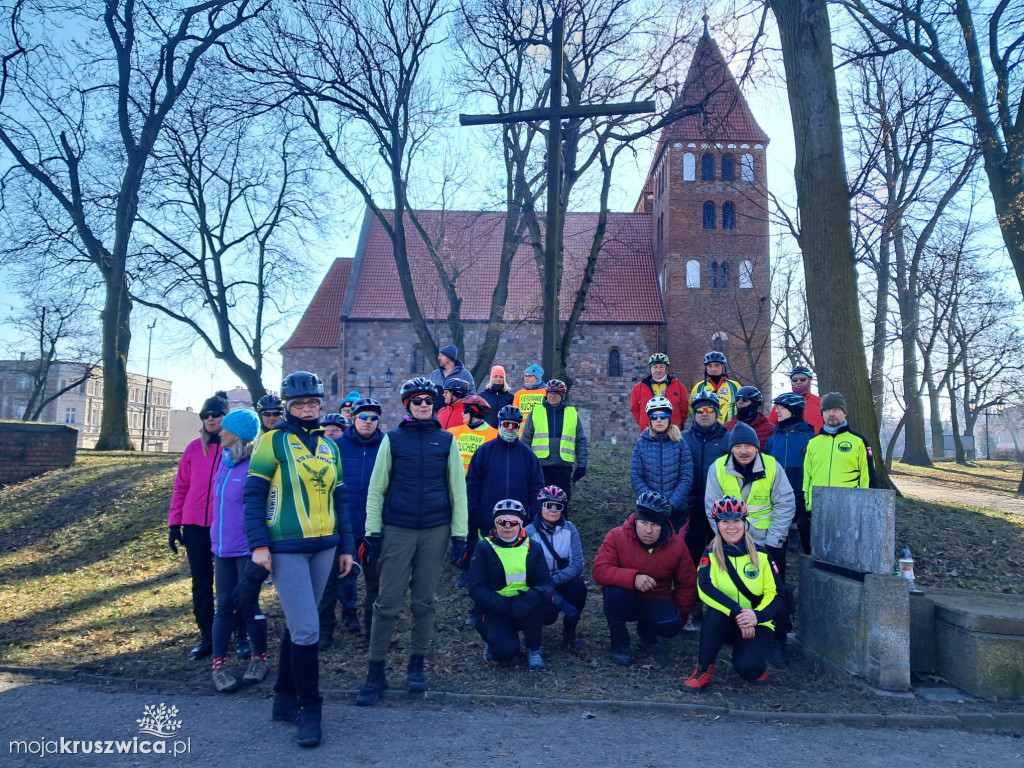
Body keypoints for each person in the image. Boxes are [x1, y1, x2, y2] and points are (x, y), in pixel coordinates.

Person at [244, 371, 354, 748]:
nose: (307, 409)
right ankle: (311, 708)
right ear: (288, 407)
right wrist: (259, 545)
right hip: (286, 547)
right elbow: (253, 497)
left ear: (321, 405)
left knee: (298, 623)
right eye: (299, 404)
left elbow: (342, 500)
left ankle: (283, 697)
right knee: (308, 628)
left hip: (325, 547)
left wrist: (347, 546)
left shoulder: (330, 446)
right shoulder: (271, 442)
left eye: (312, 403)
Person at [357, 377, 469, 706]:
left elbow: (457, 492)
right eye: (417, 400)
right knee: (387, 602)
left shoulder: (446, 441)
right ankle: (375, 671)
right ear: (407, 404)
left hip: (434, 530)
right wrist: (372, 532)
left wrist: (459, 535)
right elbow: (376, 489)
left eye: (428, 401)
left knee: (423, 602)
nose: (423, 405)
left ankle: (416, 665)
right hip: (397, 529)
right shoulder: (392, 440)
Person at [684, 496, 780, 691]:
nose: (731, 526)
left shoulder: (762, 555)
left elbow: (777, 595)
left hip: (757, 620)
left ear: (745, 523)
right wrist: (737, 612)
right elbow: (705, 588)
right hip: (727, 619)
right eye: (725, 522)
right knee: (714, 615)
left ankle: (755, 664)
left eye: (736, 520)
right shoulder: (709, 554)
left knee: (748, 669)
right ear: (717, 526)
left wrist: (756, 616)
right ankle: (703, 670)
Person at [592, 492, 697, 666]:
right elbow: (600, 570)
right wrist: (632, 578)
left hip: (658, 598)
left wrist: (681, 618)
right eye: (643, 523)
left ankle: (647, 632)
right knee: (613, 594)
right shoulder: (616, 536)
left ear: (663, 525)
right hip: (626, 596)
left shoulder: (676, 545)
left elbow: (687, 584)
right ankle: (619, 641)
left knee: (670, 624)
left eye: (654, 524)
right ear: (635, 520)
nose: (648, 530)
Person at [209, 409, 269, 693]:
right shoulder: (223, 462)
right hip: (222, 550)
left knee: (248, 605)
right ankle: (219, 667)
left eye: (225, 428)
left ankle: (259, 659)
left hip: (248, 550)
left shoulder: (255, 466)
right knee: (224, 607)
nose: (219, 431)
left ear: (239, 434)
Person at [318, 398, 385, 648]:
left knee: (375, 582)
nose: (368, 422)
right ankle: (325, 630)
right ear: (353, 419)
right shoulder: (335, 447)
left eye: (372, 418)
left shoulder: (386, 446)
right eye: (363, 417)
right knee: (330, 580)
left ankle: (372, 630)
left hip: (374, 525)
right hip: (340, 522)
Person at [168, 390, 229, 661]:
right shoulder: (194, 448)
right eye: (206, 414)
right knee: (201, 581)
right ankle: (206, 635)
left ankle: (235, 632)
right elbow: (181, 486)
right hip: (194, 525)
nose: (211, 418)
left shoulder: (235, 448)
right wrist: (174, 523)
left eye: (216, 413)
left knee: (229, 583)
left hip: (226, 524)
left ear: (225, 417)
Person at [463, 405, 545, 589]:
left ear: (519, 427)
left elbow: (536, 486)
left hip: (518, 521)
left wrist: (533, 512)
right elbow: (473, 484)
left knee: (514, 561)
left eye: (514, 425)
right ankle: (481, 603)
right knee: (487, 562)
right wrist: (475, 512)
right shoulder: (484, 451)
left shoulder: (528, 454)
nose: (510, 428)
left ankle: (515, 593)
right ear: (500, 424)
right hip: (488, 520)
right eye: (506, 424)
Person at [470, 499, 555, 670]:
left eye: (513, 522)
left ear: (521, 524)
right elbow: (476, 588)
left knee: (543, 606)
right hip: (495, 609)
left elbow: (546, 583)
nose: (507, 526)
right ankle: (495, 641)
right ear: (495, 523)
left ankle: (534, 650)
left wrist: (531, 597)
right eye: (502, 521)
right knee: (506, 653)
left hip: (524, 605)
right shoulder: (484, 547)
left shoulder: (534, 547)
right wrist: (507, 606)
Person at [525, 486, 587, 652]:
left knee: (579, 588)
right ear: (541, 506)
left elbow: (577, 564)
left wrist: (555, 580)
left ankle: (569, 631)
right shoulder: (528, 533)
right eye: (548, 505)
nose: (553, 510)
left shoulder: (570, 529)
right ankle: (533, 636)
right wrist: (546, 584)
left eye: (558, 506)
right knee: (548, 615)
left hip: (562, 577)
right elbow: (527, 569)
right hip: (539, 583)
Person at [803, 391, 878, 528]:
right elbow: (807, 476)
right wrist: (808, 505)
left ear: (844, 413)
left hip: (849, 507)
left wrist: (864, 506)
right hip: (819, 508)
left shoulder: (859, 441)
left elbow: (868, 476)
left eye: (836, 409)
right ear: (822, 414)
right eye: (826, 410)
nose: (831, 413)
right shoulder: (813, 443)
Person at [682, 392, 731, 566]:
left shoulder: (728, 438)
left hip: (719, 507)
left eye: (709, 409)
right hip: (691, 507)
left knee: (718, 554)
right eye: (700, 410)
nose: (704, 413)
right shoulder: (682, 438)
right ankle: (691, 590)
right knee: (690, 555)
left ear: (716, 413)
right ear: (694, 414)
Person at [630, 396, 693, 531]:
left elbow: (686, 477)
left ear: (669, 418)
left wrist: (671, 504)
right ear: (650, 420)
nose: (659, 420)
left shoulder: (680, 443)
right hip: (649, 511)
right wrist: (653, 502)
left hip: (677, 510)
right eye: (654, 416)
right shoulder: (641, 444)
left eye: (663, 416)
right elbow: (636, 477)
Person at [764, 392, 816, 556]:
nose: (777, 411)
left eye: (781, 408)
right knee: (777, 544)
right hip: (776, 497)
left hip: (802, 498)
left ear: (793, 410)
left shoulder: (810, 438)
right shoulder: (774, 438)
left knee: (807, 544)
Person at [521, 379, 588, 499]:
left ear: (562, 395)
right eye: (550, 393)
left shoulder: (572, 413)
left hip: (563, 466)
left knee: (562, 501)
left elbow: (580, 441)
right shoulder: (536, 412)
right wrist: (524, 463)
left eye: (556, 394)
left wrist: (581, 465)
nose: (552, 396)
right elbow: (526, 440)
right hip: (540, 466)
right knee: (539, 500)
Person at [629, 353, 689, 431]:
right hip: (649, 431)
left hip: (672, 431)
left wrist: (676, 424)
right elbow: (635, 409)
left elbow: (684, 410)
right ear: (651, 369)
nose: (658, 370)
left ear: (666, 369)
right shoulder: (638, 388)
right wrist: (643, 423)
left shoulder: (680, 387)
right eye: (655, 367)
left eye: (661, 367)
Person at [447, 395, 498, 474]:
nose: (462, 413)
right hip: (456, 482)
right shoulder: (453, 432)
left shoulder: (494, 435)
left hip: (477, 483)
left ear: (474, 413)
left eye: (465, 411)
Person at [769, 365, 823, 432]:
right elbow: (771, 427)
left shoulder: (821, 402)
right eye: (794, 380)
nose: (798, 382)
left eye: (802, 379)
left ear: (810, 381)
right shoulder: (782, 403)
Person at [690, 352, 740, 423]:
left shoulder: (734, 386)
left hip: (730, 430)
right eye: (710, 366)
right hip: (706, 430)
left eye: (717, 365)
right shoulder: (699, 387)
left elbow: (742, 406)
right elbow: (691, 409)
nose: (713, 369)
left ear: (723, 367)